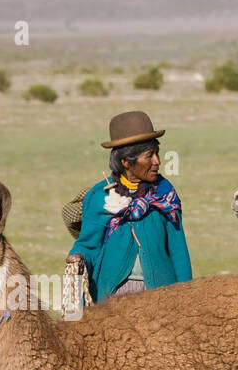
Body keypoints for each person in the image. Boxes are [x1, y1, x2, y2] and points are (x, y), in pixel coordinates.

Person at [67, 111, 191, 300]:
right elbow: (88, 245)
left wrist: (186, 295)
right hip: (112, 297)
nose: (157, 161)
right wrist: (78, 258)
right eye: (149, 156)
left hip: (162, 297)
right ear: (126, 161)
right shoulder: (100, 196)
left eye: (157, 154)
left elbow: (178, 249)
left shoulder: (165, 193)